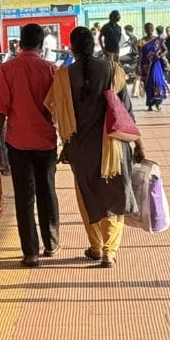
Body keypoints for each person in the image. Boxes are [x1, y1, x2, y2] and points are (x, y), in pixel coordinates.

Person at [49, 27, 144, 268]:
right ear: (95, 45)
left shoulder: (63, 77)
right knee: (114, 193)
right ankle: (109, 252)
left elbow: (53, 111)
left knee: (87, 194)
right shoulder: (113, 70)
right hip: (113, 145)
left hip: (80, 148)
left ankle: (95, 245)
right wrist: (140, 145)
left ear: (72, 48)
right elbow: (126, 114)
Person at [0, 22, 60, 268]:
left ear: (20, 43)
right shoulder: (51, 69)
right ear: (41, 45)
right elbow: (57, 109)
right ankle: (51, 242)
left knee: (24, 196)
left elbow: (0, 110)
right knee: (47, 190)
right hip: (46, 142)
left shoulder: (7, 69)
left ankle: (30, 252)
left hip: (17, 142)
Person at [139, 22, 169, 112]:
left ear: (153, 29)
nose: (149, 30)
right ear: (145, 30)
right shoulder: (141, 41)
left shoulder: (158, 40)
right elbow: (140, 55)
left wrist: (160, 55)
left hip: (156, 65)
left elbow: (165, 50)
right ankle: (149, 105)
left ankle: (158, 103)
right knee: (148, 84)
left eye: (150, 28)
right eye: (147, 28)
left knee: (157, 83)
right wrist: (138, 66)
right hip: (145, 65)